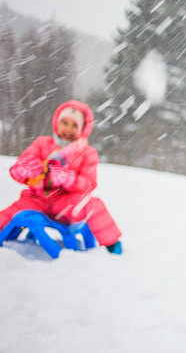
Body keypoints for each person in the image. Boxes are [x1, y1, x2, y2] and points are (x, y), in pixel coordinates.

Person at [0, 100, 123, 254]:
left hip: (65, 203)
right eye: (65, 123)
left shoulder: (86, 153)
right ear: (57, 123)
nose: (68, 129)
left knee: (93, 205)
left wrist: (69, 179)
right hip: (36, 199)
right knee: (7, 215)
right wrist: (27, 169)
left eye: (74, 125)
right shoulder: (42, 144)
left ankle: (112, 244)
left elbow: (89, 183)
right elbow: (17, 170)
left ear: (82, 129)